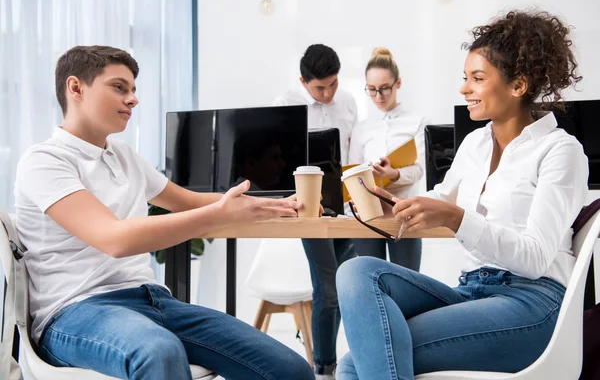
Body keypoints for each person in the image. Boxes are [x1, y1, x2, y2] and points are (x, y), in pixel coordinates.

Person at [14, 45, 314, 380]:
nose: (133, 99)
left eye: (133, 90)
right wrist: (221, 214)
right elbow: (114, 239)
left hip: (152, 301)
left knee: (290, 369)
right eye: (119, 87)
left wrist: (260, 205)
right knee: (158, 351)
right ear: (76, 88)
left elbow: (186, 201)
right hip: (74, 312)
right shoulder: (45, 161)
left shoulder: (125, 155)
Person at [336, 10, 588, 379]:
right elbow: (441, 197)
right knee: (357, 272)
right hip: (471, 291)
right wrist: (391, 204)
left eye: (477, 79)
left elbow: (534, 257)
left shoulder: (559, 151)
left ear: (518, 85)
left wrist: (455, 218)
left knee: (356, 363)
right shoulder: (475, 143)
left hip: (532, 302)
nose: (464, 88)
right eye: (465, 78)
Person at [274, 44, 358, 379]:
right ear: (303, 81)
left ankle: (337, 363)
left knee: (343, 286)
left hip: (346, 206)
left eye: (333, 84)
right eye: (320, 87)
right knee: (327, 287)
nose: (328, 93)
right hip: (309, 207)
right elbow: (279, 161)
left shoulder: (349, 103)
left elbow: (353, 151)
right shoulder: (287, 106)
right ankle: (323, 368)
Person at [348, 47, 429, 269]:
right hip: (368, 214)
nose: (378, 96)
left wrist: (393, 174)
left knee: (408, 281)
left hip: (405, 212)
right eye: (371, 90)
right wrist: (367, 174)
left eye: (384, 89)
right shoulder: (362, 128)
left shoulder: (417, 121)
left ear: (398, 84)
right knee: (370, 281)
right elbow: (351, 173)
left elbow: (420, 169)